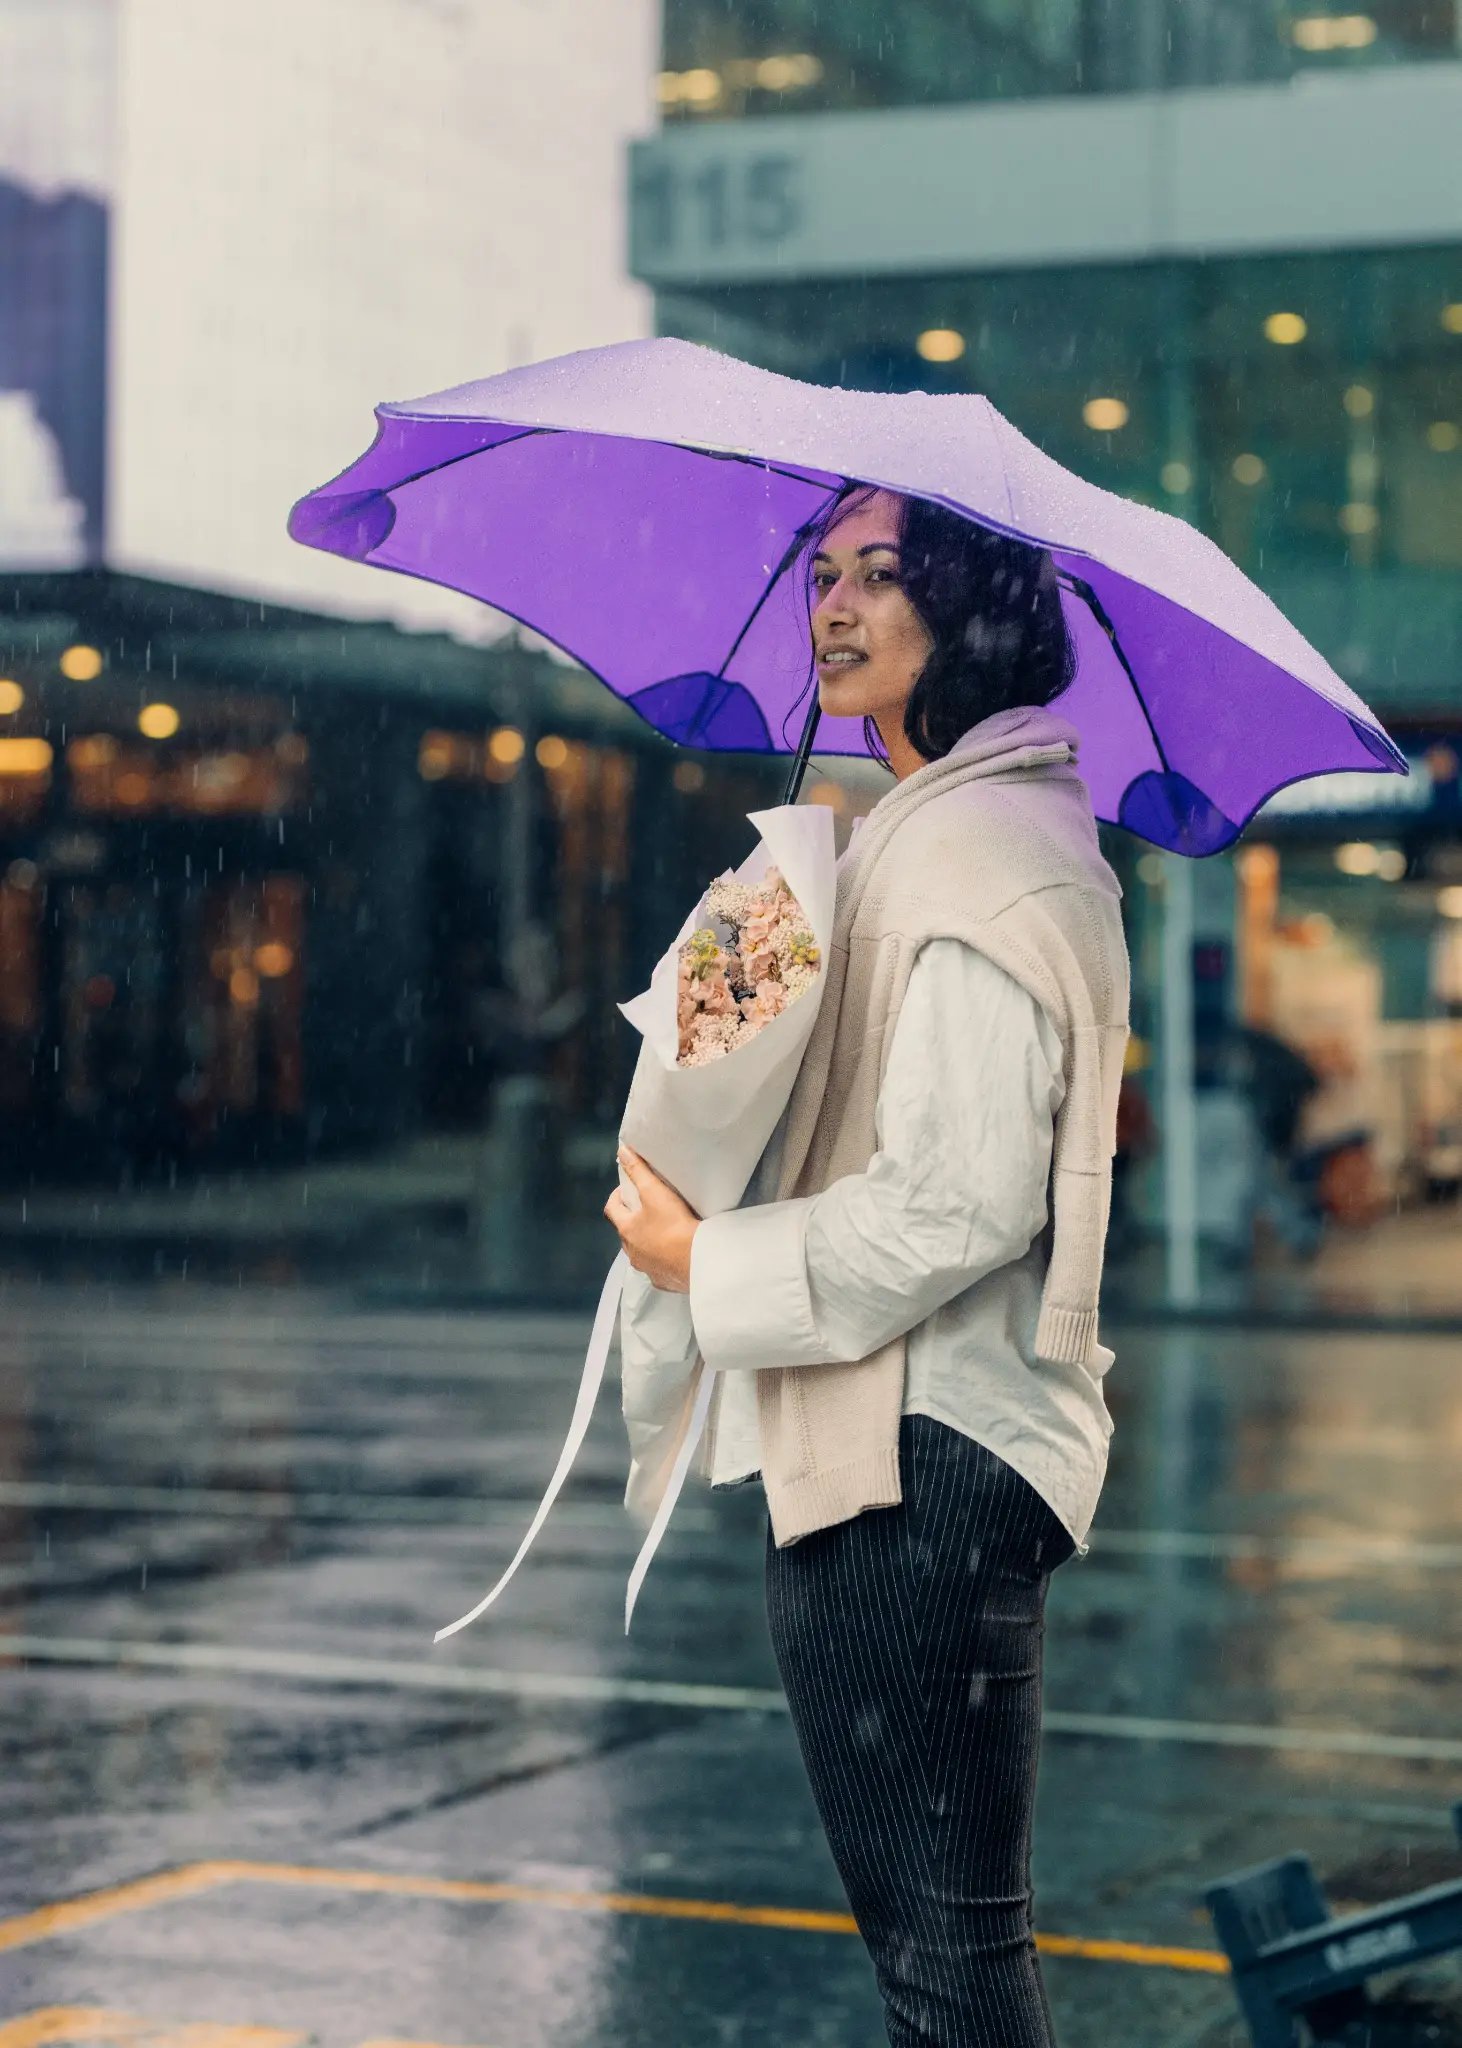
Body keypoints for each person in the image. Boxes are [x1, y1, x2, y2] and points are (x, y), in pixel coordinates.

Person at [604, 487, 1130, 2048]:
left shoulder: (976, 854)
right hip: (914, 1444)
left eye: (882, 575)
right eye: (822, 574)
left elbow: (954, 1202)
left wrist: (708, 1261)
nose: (833, 607)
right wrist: (759, 930)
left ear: (969, 615)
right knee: (942, 1953)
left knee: (945, 1961)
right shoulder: (926, 835)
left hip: (920, 1454)